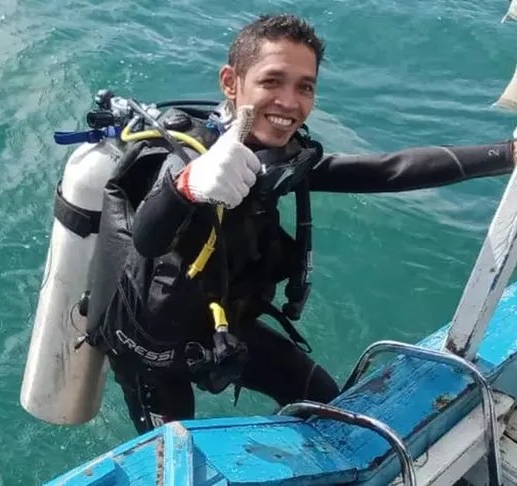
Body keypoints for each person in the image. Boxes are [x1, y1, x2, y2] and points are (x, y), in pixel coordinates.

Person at [83, 13, 517, 434]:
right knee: (175, 450)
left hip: (223, 325)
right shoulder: (187, 155)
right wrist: (187, 188)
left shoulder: (281, 157)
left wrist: (507, 153)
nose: (289, 102)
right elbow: (148, 238)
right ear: (231, 82)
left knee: (329, 405)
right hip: (151, 350)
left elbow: (387, 170)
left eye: (304, 87)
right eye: (272, 81)